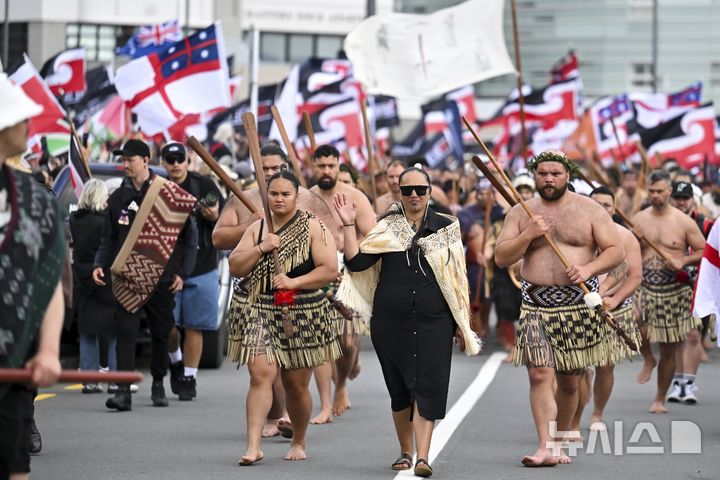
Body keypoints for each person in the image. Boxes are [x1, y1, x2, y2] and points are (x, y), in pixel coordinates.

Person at [335, 165, 480, 478]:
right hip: (390, 322)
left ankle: (423, 457)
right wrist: (348, 226)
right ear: (398, 194)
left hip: (435, 321)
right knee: (400, 389)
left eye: (420, 190)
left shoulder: (446, 226)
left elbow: (457, 279)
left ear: (429, 192)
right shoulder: (386, 226)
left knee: (427, 386)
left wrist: (460, 321)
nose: (414, 195)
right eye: (407, 190)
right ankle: (405, 451)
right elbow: (357, 262)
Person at [494, 150, 623, 466]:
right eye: (542, 173)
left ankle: (561, 438)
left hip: (576, 306)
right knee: (539, 375)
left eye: (555, 173)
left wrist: (590, 269)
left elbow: (616, 250)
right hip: (535, 305)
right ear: (534, 176)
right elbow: (501, 257)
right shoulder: (521, 212)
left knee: (569, 381)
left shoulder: (589, 209)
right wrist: (528, 235)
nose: (548, 179)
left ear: (569, 176)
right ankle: (544, 446)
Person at [216, 143, 339, 435]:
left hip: (302, 308)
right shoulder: (251, 216)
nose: (279, 199)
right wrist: (260, 242)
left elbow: (330, 265)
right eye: (274, 193)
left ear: (297, 194)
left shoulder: (311, 216)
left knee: (295, 383)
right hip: (259, 307)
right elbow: (227, 253)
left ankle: (301, 434)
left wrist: (295, 281)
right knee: (261, 375)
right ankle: (254, 443)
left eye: (285, 194)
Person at [92, 139, 198, 411]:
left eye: (129, 160)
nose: (125, 165)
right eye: (123, 160)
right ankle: (124, 392)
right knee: (125, 332)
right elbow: (108, 238)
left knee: (161, 333)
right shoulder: (117, 198)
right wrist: (98, 264)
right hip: (127, 277)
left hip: (162, 278)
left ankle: (158, 384)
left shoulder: (169, 195)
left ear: (144, 160)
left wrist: (183, 273)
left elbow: (190, 237)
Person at [0, 73, 65, 480]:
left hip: (14, 361)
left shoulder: (36, 199)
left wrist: (49, 350)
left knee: (14, 467)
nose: (29, 125)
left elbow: (48, 282)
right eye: (20, 118)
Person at [309, 144, 376, 418]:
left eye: (331, 166)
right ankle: (324, 404)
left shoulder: (354, 197)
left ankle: (341, 385)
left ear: (339, 166)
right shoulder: (304, 198)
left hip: (347, 277)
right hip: (315, 276)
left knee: (346, 343)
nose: (326, 171)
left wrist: (351, 249)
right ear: (313, 167)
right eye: (321, 166)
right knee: (320, 342)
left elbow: (372, 236)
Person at [630, 170, 705, 413]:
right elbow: (627, 252)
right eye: (651, 191)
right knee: (633, 321)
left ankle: (660, 398)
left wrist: (683, 261)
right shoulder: (639, 218)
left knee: (669, 348)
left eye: (660, 191)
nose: (655, 195)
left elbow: (704, 251)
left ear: (669, 192)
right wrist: (635, 239)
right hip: (644, 286)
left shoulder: (684, 222)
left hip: (674, 289)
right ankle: (647, 358)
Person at [571, 186, 643, 433]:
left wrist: (614, 298)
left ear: (614, 209)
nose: (602, 209)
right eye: (596, 204)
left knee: (606, 366)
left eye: (607, 205)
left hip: (614, 306)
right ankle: (572, 421)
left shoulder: (625, 236)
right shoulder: (578, 234)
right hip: (581, 306)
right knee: (578, 366)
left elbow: (634, 276)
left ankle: (597, 414)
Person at [160, 142, 225, 401]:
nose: (176, 164)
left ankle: (189, 377)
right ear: (163, 163)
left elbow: (226, 222)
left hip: (202, 266)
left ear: (188, 162)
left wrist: (213, 216)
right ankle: (175, 361)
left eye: (180, 159)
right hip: (168, 268)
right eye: (170, 159)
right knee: (168, 325)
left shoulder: (205, 186)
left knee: (195, 326)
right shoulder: (159, 188)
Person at [664, 181, 711, 404]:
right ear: (670, 198)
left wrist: (684, 261)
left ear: (692, 199)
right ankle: (677, 381)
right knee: (676, 337)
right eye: (677, 197)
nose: (681, 202)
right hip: (669, 286)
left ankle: (688, 384)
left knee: (692, 335)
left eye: (685, 198)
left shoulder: (705, 224)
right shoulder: (663, 221)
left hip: (697, 287)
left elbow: (711, 253)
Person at [70, 179, 117, 394]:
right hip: (104, 277)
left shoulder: (74, 220)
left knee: (87, 330)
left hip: (83, 278)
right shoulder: (104, 223)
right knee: (114, 329)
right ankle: (116, 379)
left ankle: (89, 379)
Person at [457, 178, 505, 338]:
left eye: (488, 193)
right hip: (473, 264)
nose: (484, 197)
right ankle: (475, 331)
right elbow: (459, 240)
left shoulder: (500, 213)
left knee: (489, 298)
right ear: (476, 195)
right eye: (481, 193)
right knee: (472, 298)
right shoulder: (466, 214)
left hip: (494, 264)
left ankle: (486, 327)